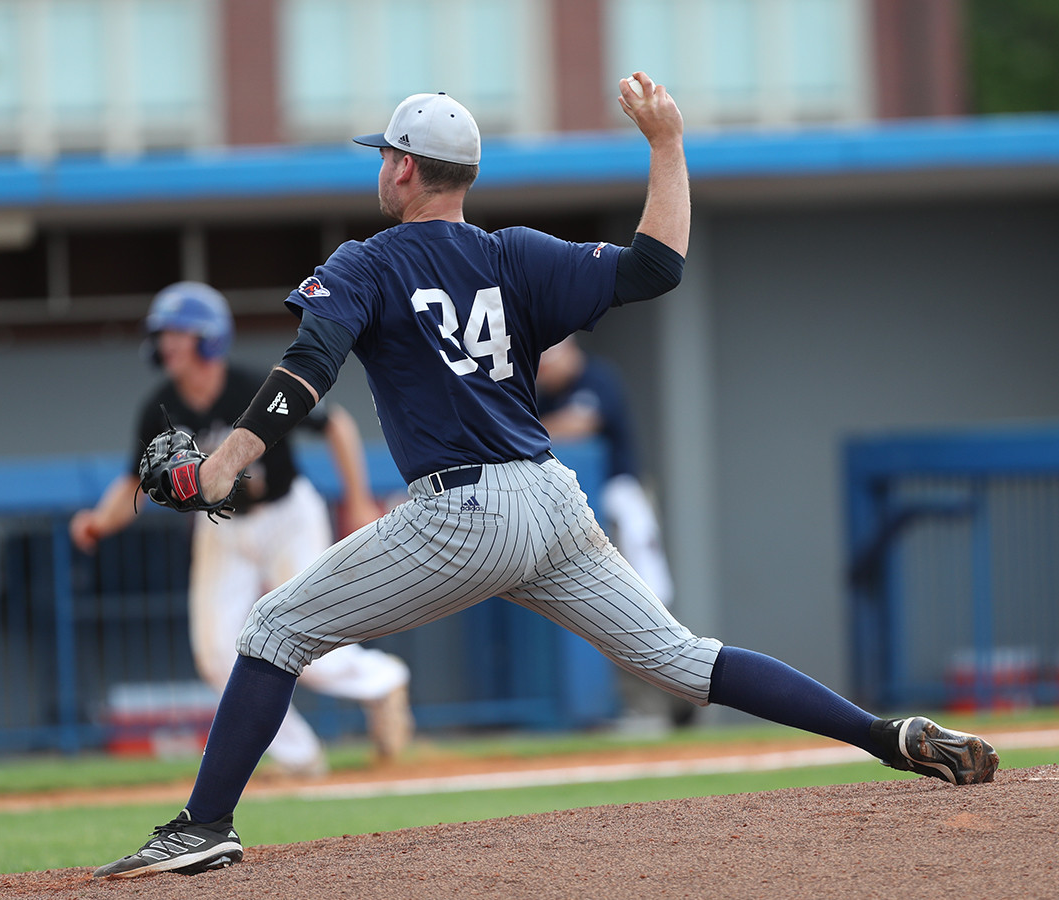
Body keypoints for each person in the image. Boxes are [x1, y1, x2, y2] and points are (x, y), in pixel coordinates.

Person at [93, 74, 999, 880]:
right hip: (553, 499)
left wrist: (223, 463)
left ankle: (203, 825)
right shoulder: (512, 253)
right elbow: (657, 266)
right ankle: (890, 736)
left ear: (405, 169)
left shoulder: (364, 262)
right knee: (680, 659)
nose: (382, 168)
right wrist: (669, 143)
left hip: (463, 512)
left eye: (387, 155)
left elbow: (303, 373)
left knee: (275, 626)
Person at [70, 281, 413, 777]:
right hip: (222, 526)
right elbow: (136, 483)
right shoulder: (160, 407)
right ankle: (300, 760)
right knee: (215, 655)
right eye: (163, 334)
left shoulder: (253, 385)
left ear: (208, 337)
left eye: (177, 333)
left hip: (287, 516)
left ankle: (381, 681)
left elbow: (335, 425)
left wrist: (358, 500)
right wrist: (99, 523)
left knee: (310, 646)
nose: (166, 343)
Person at [536, 334, 693, 731]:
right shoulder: (541, 393)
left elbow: (577, 425)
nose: (543, 366)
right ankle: (642, 707)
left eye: (548, 356)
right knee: (600, 608)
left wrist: (526, 429)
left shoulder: (597, 377)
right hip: (573, 515)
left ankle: (675, 699)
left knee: (646, 597)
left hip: (620, 501)